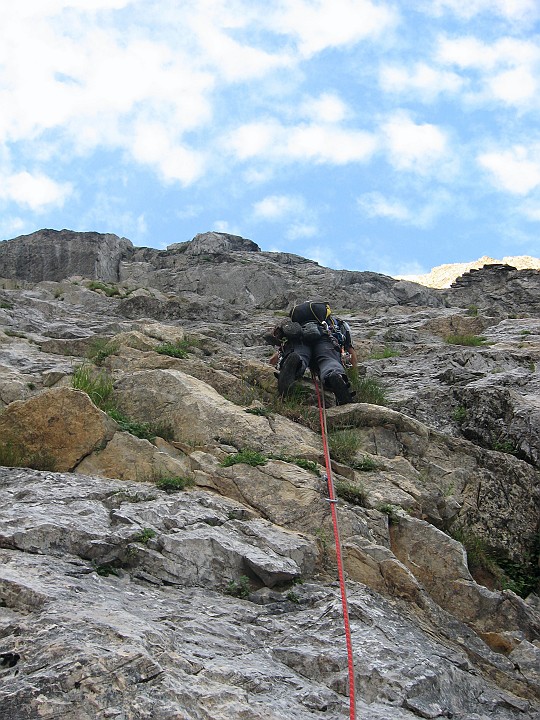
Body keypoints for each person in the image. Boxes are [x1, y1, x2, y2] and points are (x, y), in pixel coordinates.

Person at [266, 301, 357, 405]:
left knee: (299, 355)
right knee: (329, 361)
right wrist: (355, 376)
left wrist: (271, 365)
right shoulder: (336, 323)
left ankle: (296, 362)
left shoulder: (298, 326)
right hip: (325, 339)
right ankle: (334, 375)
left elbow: (278, 354)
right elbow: (350, 350)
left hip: (299, 340)